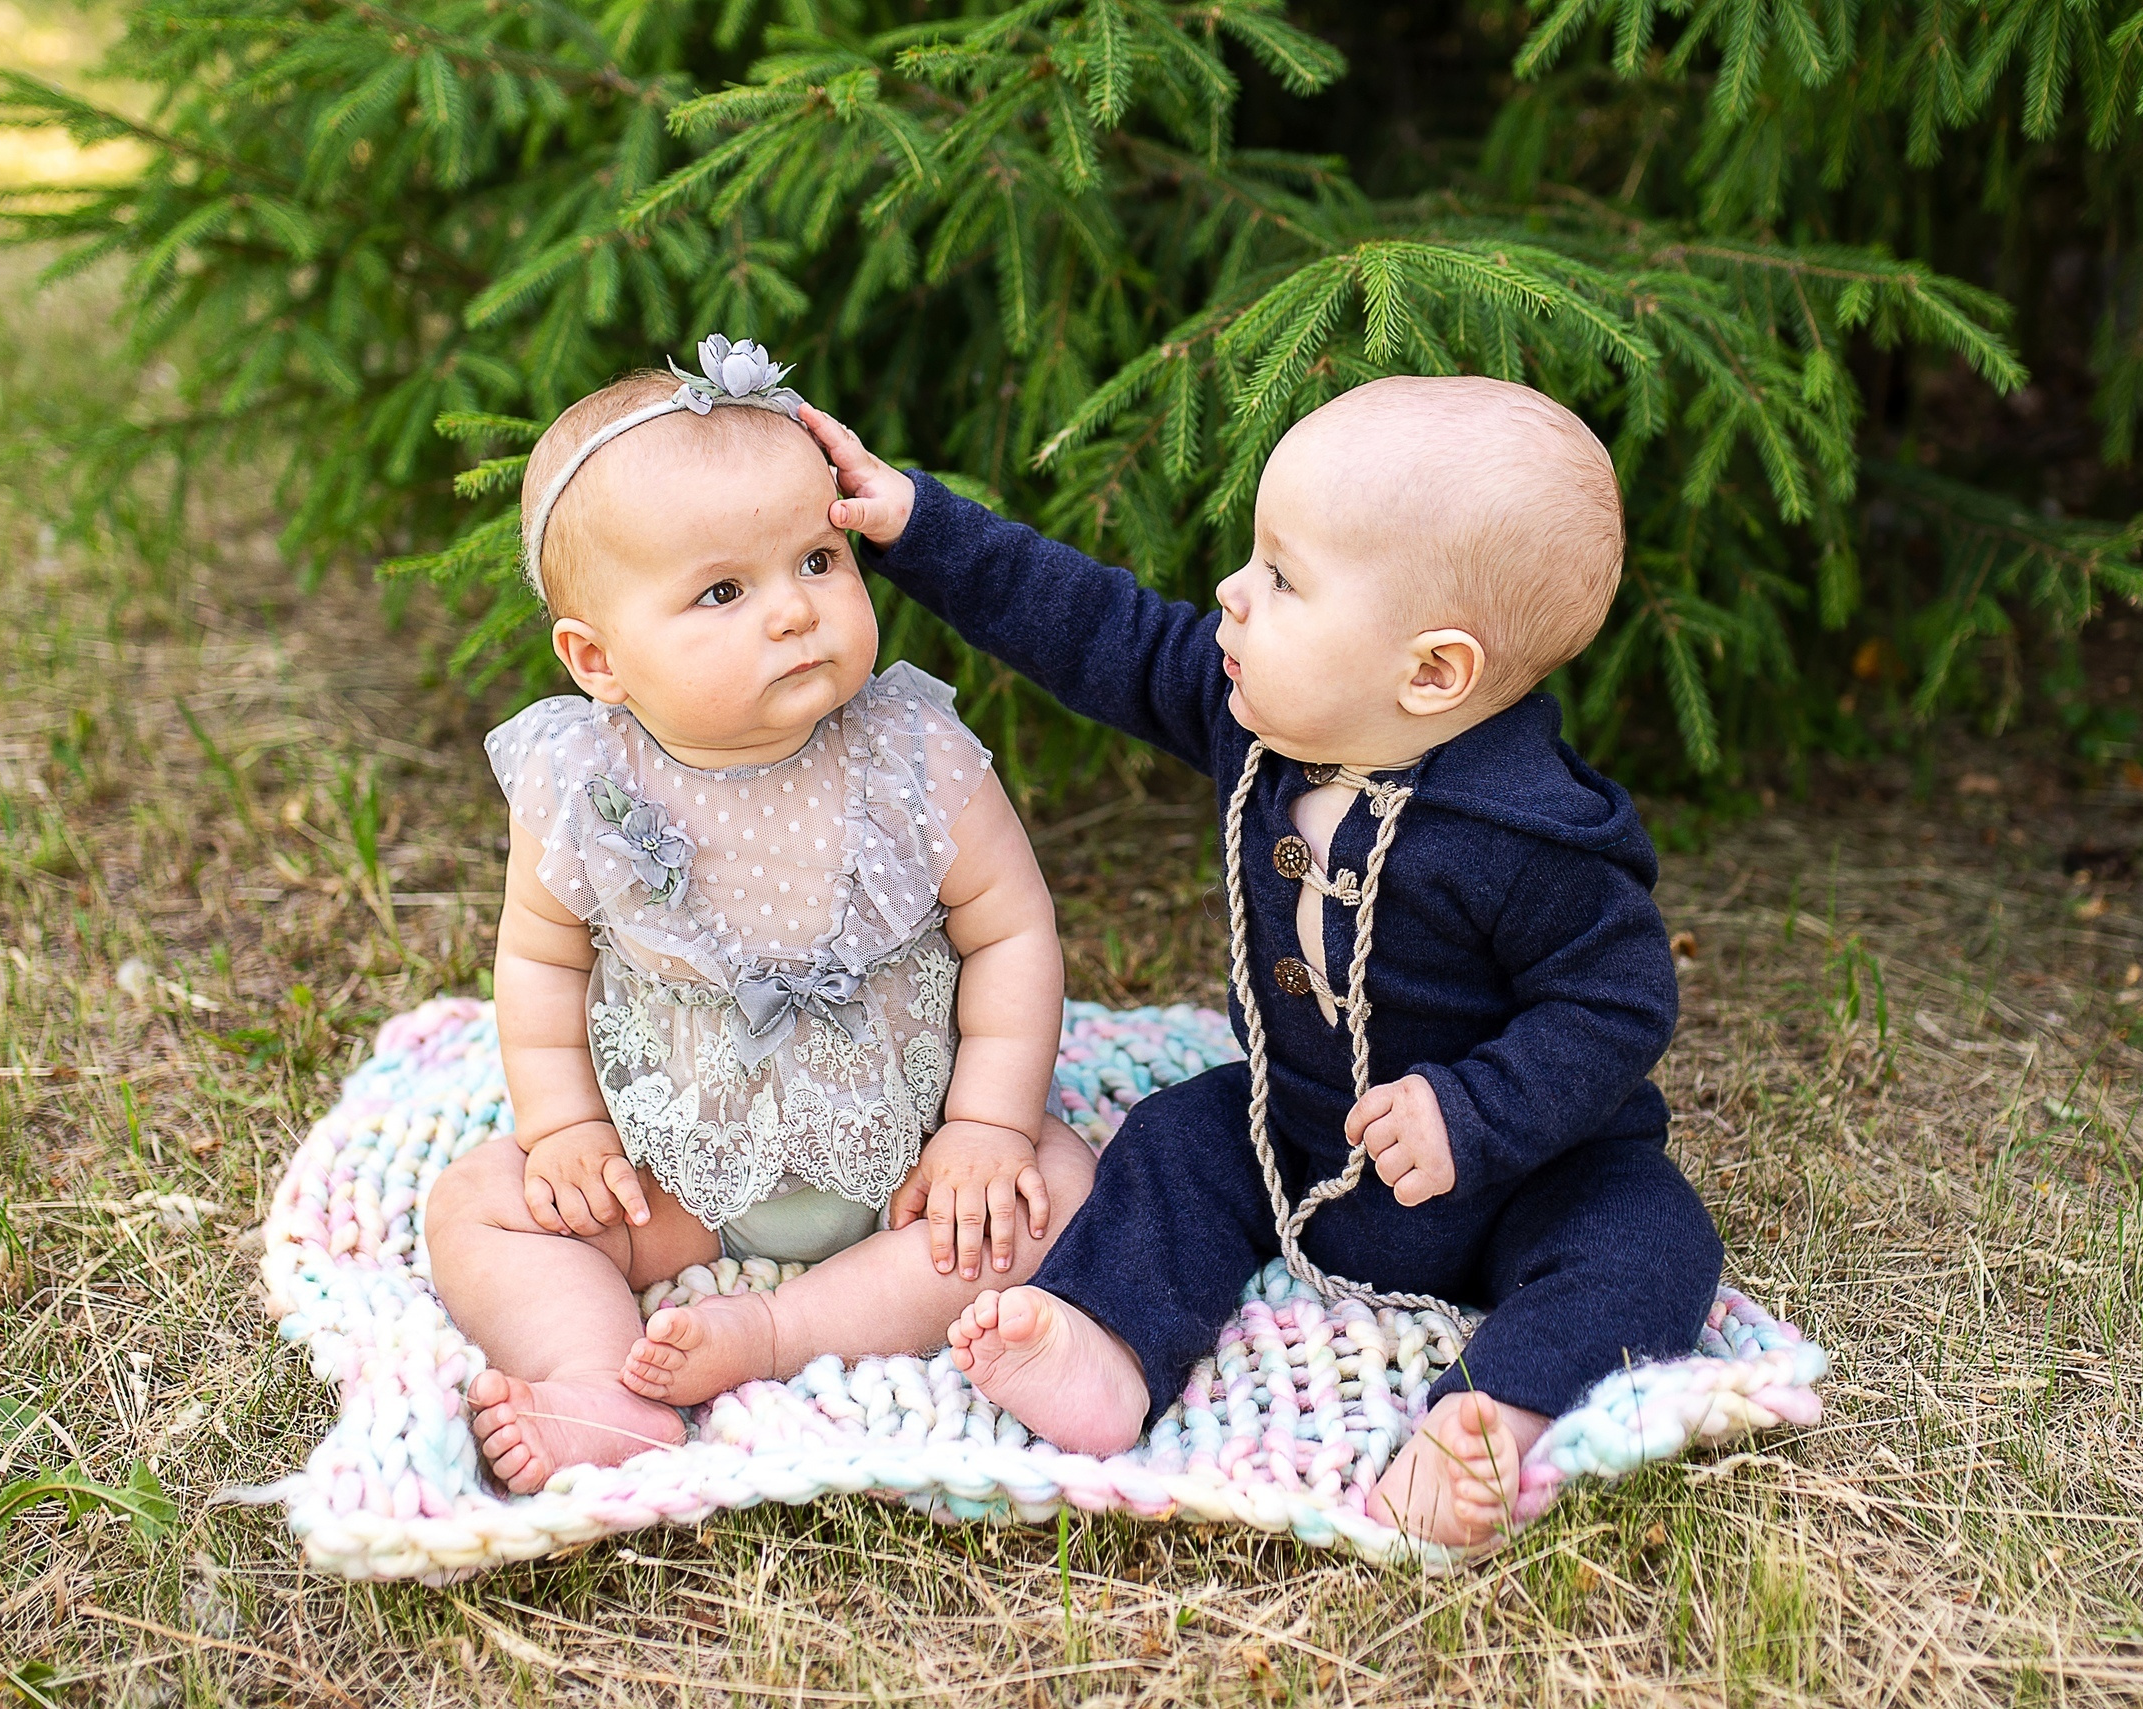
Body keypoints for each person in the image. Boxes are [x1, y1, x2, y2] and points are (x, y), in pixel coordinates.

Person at [802, 375, 1722, 1550]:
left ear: (1431, 673)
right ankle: (1109, 1345)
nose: (1231, 594)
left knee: (1651, 1237)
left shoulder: (1534, 833)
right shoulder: (1259, 717)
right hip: (1301, 1137)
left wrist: (1474, 1109)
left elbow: (1615, 1002)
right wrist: (919, 525)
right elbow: (1098, 628)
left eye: (1283, 578)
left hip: (1521, 1172)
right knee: (1176, 1139)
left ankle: (1505, 1408)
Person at [423, 338, 1094, 1494]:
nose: (794, 611)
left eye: (819, 560)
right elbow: (538, 960)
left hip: (902, 1157)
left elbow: (1012, 933)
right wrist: (566, 1127)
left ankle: (782, 1333)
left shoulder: (915, 753)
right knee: (477, 1206)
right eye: (725, 590)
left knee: (1062, 1185)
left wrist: (984, 1126)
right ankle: (601, 1381)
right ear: (598, 659)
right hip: (676, 1167)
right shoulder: (583, 784)